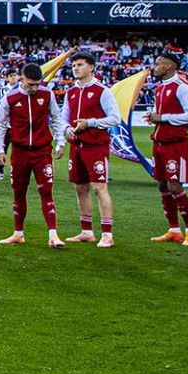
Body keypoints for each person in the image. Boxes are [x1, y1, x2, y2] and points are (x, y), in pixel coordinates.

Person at [0, 61, 67, 248]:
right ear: (21, 78)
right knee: (19, 193)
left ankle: (53, 235)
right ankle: (18, 233)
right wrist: (0, 150)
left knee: (46, 191)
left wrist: (60, 141)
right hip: (19, 152)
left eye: (37, 84)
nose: (35, 88)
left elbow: (57, 118)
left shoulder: (46, 94)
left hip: (42, 152)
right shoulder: (10, 98)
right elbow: (1, 125)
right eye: (31, 84)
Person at [63, 52, 119, 248]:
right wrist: (66, 129)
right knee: (80, 188)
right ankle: (87, 231)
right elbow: (64, 118)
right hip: (76, 146)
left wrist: (91, 123)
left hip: (96, 146)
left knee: (99, 188)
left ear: (91, 67)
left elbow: (115, 118)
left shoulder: (102, 91)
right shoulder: (70, 92)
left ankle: (107, 234)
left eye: (80, 65)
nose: (76, 68)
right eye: (74, 65)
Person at [144, 53, 188, 246]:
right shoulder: (160, 88)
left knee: (175, 186)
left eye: (158, 63)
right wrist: (154, 117)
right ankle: (174, 230)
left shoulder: (181, 88)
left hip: (175, 145)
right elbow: (163, 115)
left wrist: (163, 118)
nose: (155, 66)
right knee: (162, 185)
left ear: (169, 67)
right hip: (159, 143)